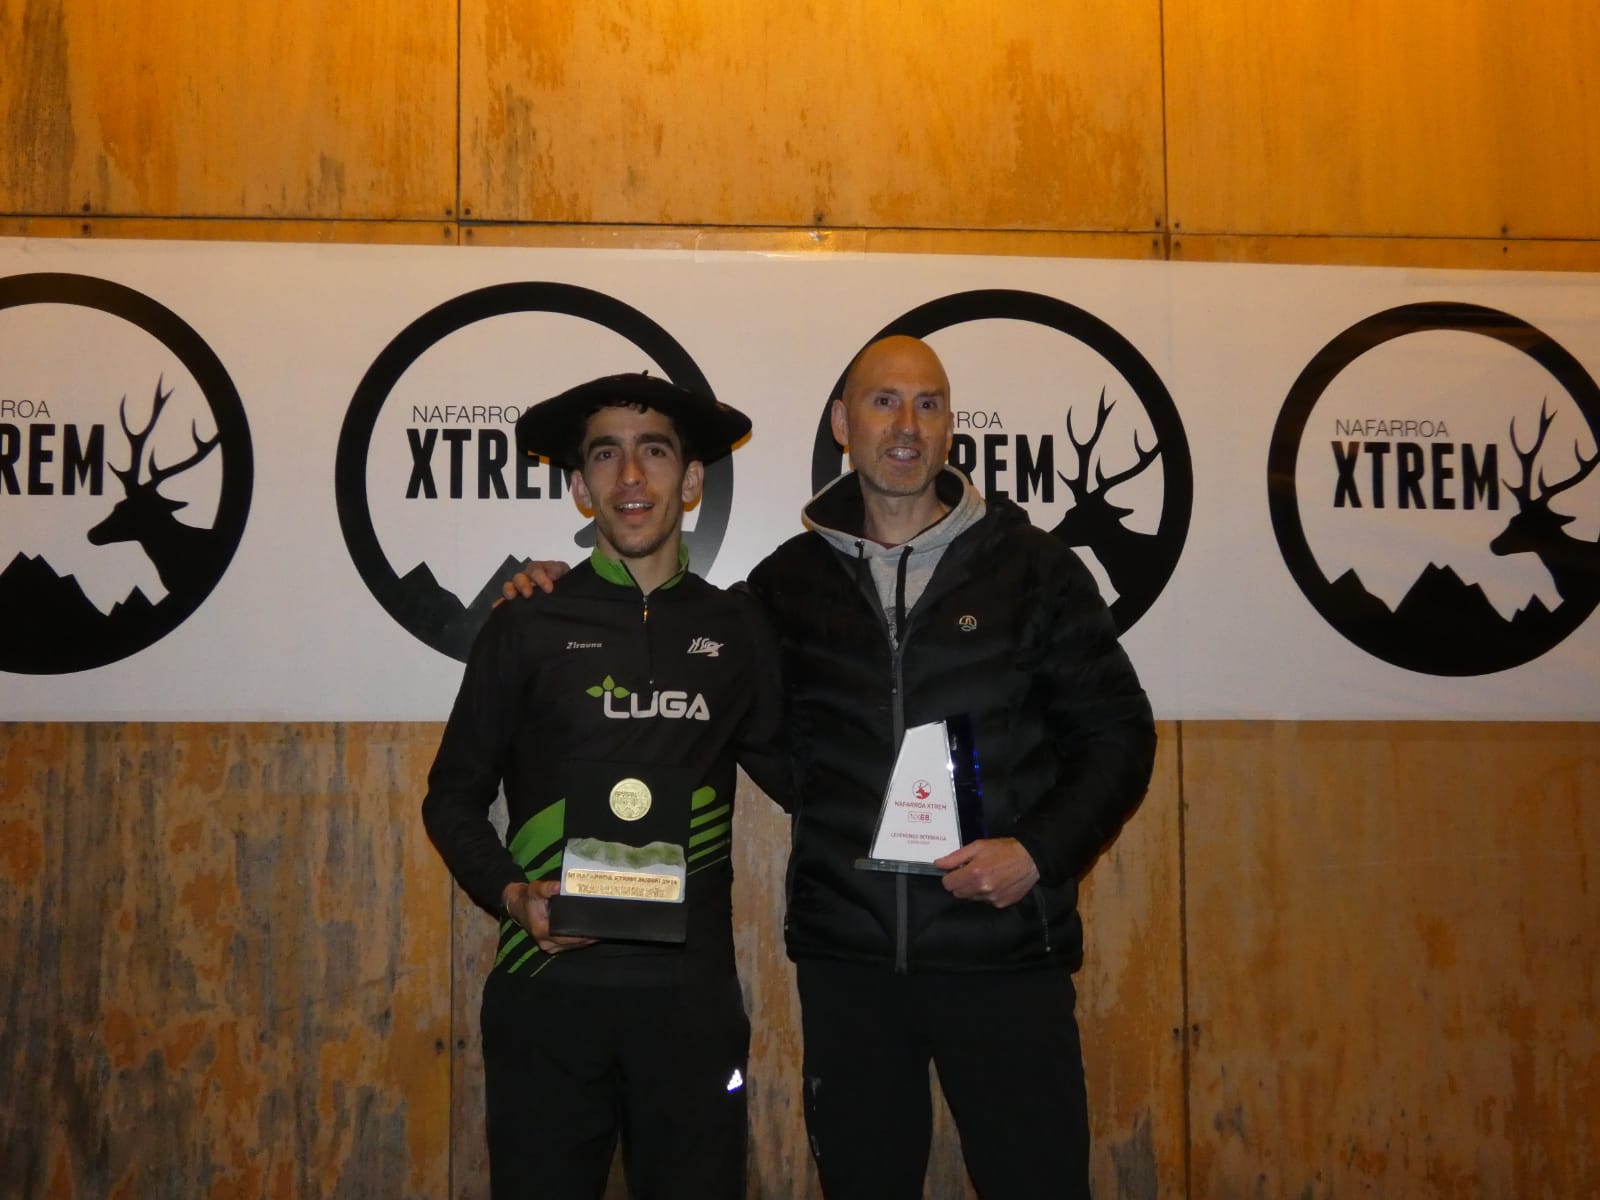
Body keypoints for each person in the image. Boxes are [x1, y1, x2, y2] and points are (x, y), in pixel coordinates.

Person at [510, 336, 1156, 1199]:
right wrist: (564, 586)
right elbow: (703, 669)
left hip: (1004, 956)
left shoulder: (1035, 570)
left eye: (928, 404)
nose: (906, 425)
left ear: (950, 427)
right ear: (843, 424)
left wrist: (1037, 852)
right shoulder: (787, 584)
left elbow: (1119, 735)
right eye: (884, 402)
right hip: (851, 969)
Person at [423, 372, 788, 1200]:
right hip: (546, 998)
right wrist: (512, 896)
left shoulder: (738, 628)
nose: (631, 476)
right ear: (580, 488)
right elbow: (451, 795)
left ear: (691, 480)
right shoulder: (526, 621)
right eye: (605, 455)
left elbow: (800, 774)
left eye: (654, 451)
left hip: (690, 1002)